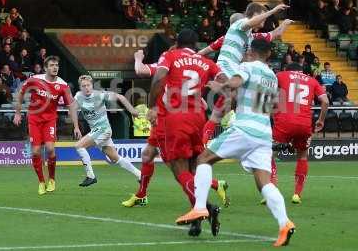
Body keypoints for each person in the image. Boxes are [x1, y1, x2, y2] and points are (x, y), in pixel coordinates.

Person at [176, 39, 296, 247]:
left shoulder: (247, 67)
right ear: (268, 54)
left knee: (203, 159)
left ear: (250, 51)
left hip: (245, 128)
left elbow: (234, 83)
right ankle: (284, 223)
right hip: (264, 134)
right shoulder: (272, 76)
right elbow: (270, 102)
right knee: (264, 183)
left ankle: (200, 207)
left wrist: (219, 85)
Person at [122, 49, 229, 209]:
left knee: (177, 167)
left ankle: (206, 198)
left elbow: (140, 70)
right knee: (147, 155)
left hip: (167, 122)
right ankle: (141, 194)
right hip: (166, 121)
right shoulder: (185, 69)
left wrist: (138, 58)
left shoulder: (166, 64)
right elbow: (204, 102)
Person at [147, 30, 227, 237]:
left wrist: (151, 106)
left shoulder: (170, 56)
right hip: (199, 117)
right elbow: (227, 82)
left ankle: (207, 208)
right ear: (195, 43)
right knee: (194, 169)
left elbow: (158, 79)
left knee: (178, 168)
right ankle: (197, 221)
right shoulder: (205, 61)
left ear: (177, 43)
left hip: (176, 118)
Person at [13, 56, 81, 195]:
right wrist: (18, 113)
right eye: (51, 65)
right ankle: (41, 182)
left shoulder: (63, 85)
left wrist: (76, 126)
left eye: (56, 65)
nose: (55, 67)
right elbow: (20, 93)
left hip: (50, 120)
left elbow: (72, 106)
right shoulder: (35, 80)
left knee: (50, 149)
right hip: (34, 119)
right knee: (36, 151)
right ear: (45, 68)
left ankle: (52, 179)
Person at [271, 63, 329, 204]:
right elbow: (325, 101)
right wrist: (320, 120)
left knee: (268, 153)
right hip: (304, 123)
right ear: (301, 71)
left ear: (287, 69)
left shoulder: (281, 75)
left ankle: (271, 191)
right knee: (302, 155)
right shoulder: (312, 80)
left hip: (283, 120)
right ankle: (297, 194)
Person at [73, 75, 141, 187]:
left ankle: (91, 176)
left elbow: (120, 97)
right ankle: (140, 174)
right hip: (96, 130)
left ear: (92, 85)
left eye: (88, 85)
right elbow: (73, 109)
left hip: (104, 129)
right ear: (80, 87)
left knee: (79, 146)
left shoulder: (100, 95)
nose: (86, 88)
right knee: (115, 158)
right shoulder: (78, 96)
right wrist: (76, 126)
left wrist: (132, 110)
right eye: (83, 86)